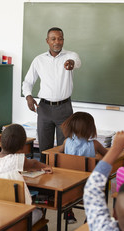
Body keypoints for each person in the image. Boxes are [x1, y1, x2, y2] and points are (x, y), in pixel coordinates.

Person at [22, 27, 81, 163]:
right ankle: (43, 177)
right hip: (44, 108)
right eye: (53, 39)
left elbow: (77, 62)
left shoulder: (70, 56)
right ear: (47, 41)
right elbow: (27, 82)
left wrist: (72, 64)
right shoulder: (39, 60)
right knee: (44, 147)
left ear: (63, 40)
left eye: (60, 39)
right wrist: (28, 96)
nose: (57, 42)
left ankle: (61, 179)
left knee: (64, 147)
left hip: (64, 108)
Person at [0, 124, 52, 226]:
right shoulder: (18, 160)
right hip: (16, 218)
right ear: (23, 146)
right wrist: (46, 166)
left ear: (0, 139)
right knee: (40, 212)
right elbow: (33, 163)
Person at [58, 111, 107, 223]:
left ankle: (69, 213)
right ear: (90, 129)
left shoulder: (66, 142)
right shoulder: (94, 144)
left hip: (68, 188)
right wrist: (98, 156)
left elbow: (57, 154)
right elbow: (108, 156)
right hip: (86, 188)